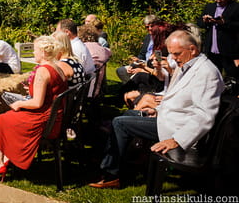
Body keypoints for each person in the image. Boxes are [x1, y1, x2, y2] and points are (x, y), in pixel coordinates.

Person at [89, 30, 224, 189]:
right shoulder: (188, 64)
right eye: (171, 54)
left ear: (193, 49)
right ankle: (125, 159)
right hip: (168, 118)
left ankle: (111, 174)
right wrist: (157, 110)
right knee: (130, 114)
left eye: (176, 54)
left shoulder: (206, 72)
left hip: (177, 127)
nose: (173, 58)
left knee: (120, 123)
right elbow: (178, 98)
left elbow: (204, 116)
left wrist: (177, 140)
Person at [0, 36, 68, 181]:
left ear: (44, 53)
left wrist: (19, 103)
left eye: (35, 50)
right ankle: (6, 158)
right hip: (55, 117)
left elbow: (37, 103)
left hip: (44, 120)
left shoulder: (43, 71)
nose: (33, 53)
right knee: (6, 118)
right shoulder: (57, 66)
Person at [197, 0, 239, 78]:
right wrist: (205, 21)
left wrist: (224, 23)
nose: (218, 1)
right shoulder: (209, 7)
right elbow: (199, 23)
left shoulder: (235, 7)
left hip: (228, 49)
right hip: (212, 49)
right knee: (213, 75)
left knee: (233, 75)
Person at [115, 14, 161, 83]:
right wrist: (135, 62)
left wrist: (143, 69)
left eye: (152, 26)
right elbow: (142, 54)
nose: (150, 28)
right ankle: (133, 88)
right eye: (147, 27)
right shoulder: (147, 37)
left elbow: (159, 60)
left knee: (136, 76)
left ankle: (136, 89)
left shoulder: (162, 40)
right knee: (121, 70)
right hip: (143, 64)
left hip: (153, 68)